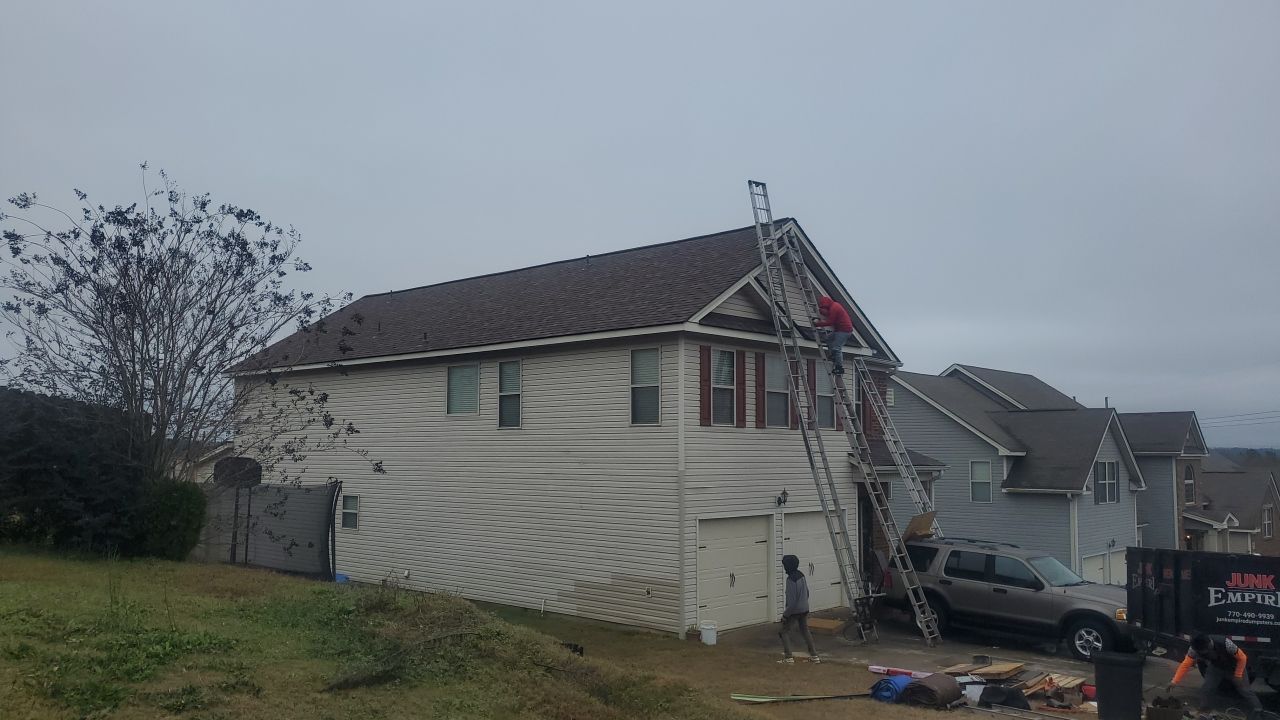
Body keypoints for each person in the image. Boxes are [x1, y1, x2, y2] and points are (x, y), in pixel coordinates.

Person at [1167, 633, 1262, 718]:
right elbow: (1186, 664)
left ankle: (1259, 711)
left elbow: (1242, 658)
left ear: (1209, 644)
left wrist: (1238, 675)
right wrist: (1174, 681)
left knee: (1245, 690)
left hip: (1235, 667)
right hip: (1216, 668)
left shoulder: (1226, 643)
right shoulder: (1194, 649)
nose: (1203, 653)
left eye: (1204, 650)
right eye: (1201, 652)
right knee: (1207, 688)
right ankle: (1204, 711)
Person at [778, 554, 820, 663]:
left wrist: (785, 615)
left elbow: (791, 602)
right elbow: (807, 592)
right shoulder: (802, 575)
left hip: (795, 611)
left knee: (784, 631)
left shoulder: (790, 580)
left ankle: (788, 657)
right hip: (805, 608)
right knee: (805, 630)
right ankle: (814, 655)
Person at [815, 296, 853, 374]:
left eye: (825, 307)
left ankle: (839, 368)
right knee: (828, 338)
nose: (825, 309)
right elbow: (830, 315)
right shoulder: (833, 306)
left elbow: (830, 322)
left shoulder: (835, 307)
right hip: (839, 330)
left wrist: (817, 324)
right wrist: (821, 312)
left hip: (844, 330)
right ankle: (833, 355)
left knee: (837, 348)